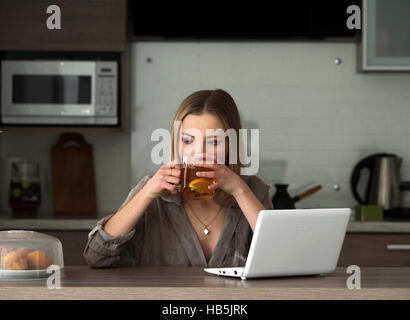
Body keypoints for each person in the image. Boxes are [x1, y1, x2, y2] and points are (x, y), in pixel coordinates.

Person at [83, 89, 274, 268]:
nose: (198, 152)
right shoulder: (153, 190)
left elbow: (280, 258)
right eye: (187, 141)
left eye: (213, 142)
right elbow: (96, 257)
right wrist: (146, 194)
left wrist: (239, 190)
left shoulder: (252, 190)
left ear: (231, 144)